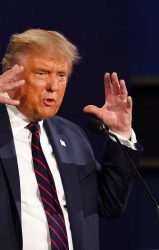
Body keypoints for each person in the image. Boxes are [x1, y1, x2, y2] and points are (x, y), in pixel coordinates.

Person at [0, 29, 141, 249]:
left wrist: (121, 134)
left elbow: (109, 204)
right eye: (42, 73)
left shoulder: (72, 136)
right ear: (12, 75)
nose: (53, 87)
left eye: (61, 75)